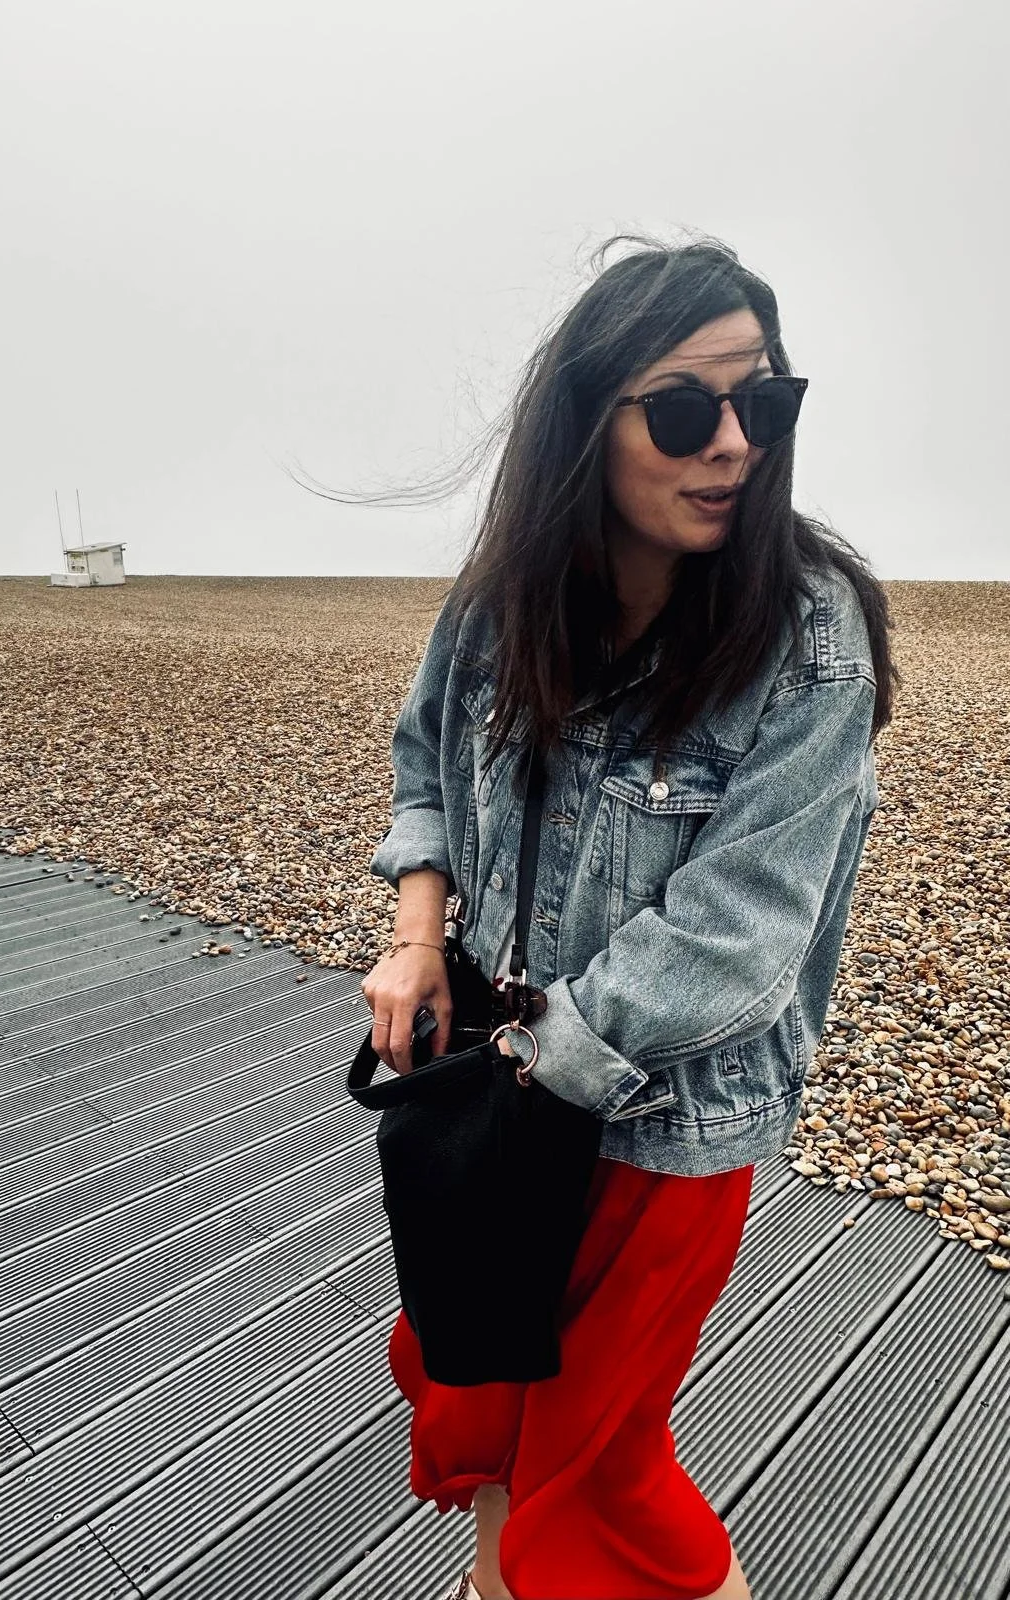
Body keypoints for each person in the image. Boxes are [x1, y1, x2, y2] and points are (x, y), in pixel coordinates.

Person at [360, 235, 899, 1600]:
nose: (730, 445)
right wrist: (419, 934)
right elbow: (425, 758)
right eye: (682, 409)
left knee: (595, 1463)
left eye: (760, 407)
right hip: (499, 1087)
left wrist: (525, 1074)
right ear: (585, 419)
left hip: (659, 1132)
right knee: (487, 1419)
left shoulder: (807, 632)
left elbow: (738, 935)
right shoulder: (503, 607)